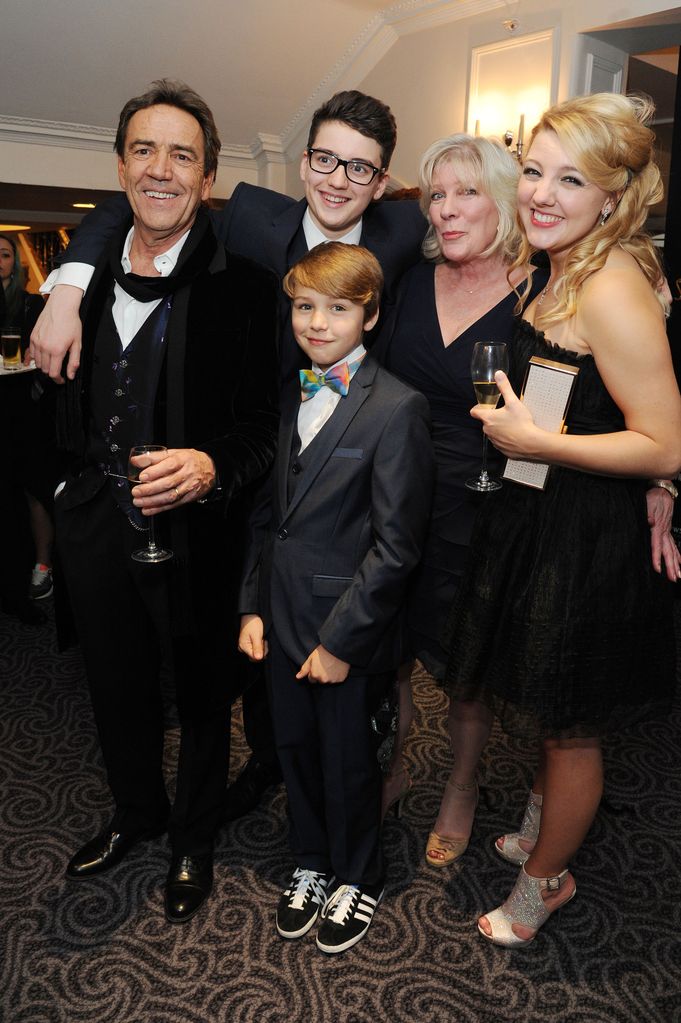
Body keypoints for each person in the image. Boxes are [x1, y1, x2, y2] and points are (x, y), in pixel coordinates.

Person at [32, 89, 427, 823]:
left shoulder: (403, 226)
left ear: (381, 180)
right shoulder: (251, 216)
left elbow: (489, 221)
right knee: (245, 647)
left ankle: (343, 798)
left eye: (359, 168)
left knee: (341, 639)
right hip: (252, 468)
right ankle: (270, 768)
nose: (338, 180)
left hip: (344, 470)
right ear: (303, 160)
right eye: (325, 159)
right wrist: (67, 282)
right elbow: (141, 200)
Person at [444, 92, 681, 947]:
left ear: (611, 197)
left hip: (582, 533)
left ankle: (545, 881)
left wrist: (539, 439)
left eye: (569, 178)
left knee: (571, 721)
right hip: (536, 512)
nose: (539, 193)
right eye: (535, 170)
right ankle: (549, 832)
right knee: (547, 698)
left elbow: (664, 444)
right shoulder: (564, 263)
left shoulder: (612, 285)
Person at [54, 80, 278, 924]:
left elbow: (264, 425)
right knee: (115, 685)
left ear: (208, 178)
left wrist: (211, 463)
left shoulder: (248, 288)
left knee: (201, 689)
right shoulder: (81, 282)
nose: (160, 169)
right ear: (120, 167)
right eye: (143, 150)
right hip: (100, 524)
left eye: (181, 154)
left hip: (196, 534)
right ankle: (137, 812)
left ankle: (192, 838)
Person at [238, 242, 433, 954]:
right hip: (280, 614)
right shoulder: (296, 389)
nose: (317, 322)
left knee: (348, 759)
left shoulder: (397, 408)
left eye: (338, 308)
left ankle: (359, 873)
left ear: (371, 314)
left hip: (345, 630)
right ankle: (312, 860)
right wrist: (252, 605)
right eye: (304, 306)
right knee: (292, 747)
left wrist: (338, 642)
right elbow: (269, 516)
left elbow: (396, 547)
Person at [375, 134, 545, 855]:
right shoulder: (410, 281)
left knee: (466, 662)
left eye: (465, 192)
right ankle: (390, 758)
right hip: (394, 492)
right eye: (435, 194)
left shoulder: (536, 293)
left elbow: (564, 413)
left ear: (505, 199)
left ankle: (462, 782)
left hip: (483, 500)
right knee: (388, 646)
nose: (444, 210)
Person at [0, 233, 52, 621]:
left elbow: (49, 357)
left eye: (4, 254)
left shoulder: (34, 304)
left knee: (33, 493)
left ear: (15, 261)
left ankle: (41, 568)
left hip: (25, 411)